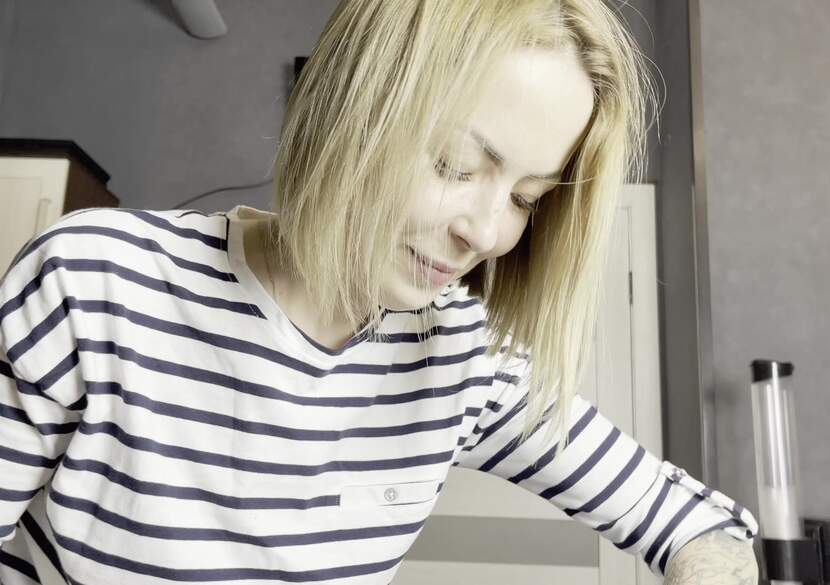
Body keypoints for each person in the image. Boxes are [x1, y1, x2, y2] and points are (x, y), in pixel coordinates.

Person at [0, 1, 759, 584]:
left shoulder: (466, 361)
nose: (486, 231)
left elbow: (700, 527)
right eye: (456, 165)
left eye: (526, 197)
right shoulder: (94, 281)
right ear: (350, 109)